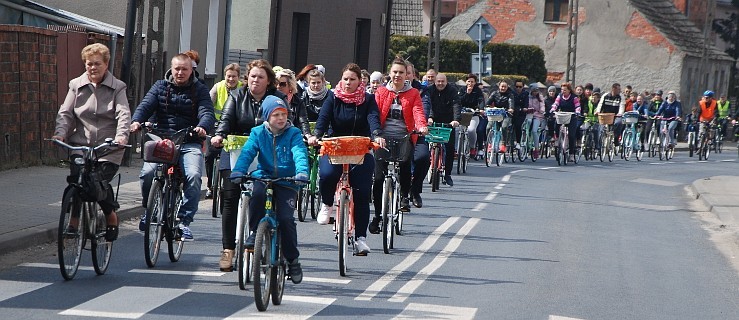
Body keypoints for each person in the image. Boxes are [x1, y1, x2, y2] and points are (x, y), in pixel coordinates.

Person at [211, 59, 288, 271]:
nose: (255, 80)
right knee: (230, 195)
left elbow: (285, 123)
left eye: (260, 77)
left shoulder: (278, 99)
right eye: (253, 76)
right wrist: (219, 135)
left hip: (266, 151)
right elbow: (225, 120)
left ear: (269, 80)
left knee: (264, 191)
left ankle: (260, 232)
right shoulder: (237, 96)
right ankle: (228, 249)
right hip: (236, 149)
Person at [131, 53, 215, 241]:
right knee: (147, 173)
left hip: (188, 141)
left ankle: (184, 220)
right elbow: (146, 105)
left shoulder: (199, 89)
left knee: (193, 176)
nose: (180, 72)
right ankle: (150, 210)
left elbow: (207, 112)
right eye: (177, 68)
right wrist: (137, 121)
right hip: (162, 139)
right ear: (171, 69)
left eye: (184, 69)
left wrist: (203, 126)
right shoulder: (160, 86)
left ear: (191, 70)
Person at [52, 43, 131, 242]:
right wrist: (60, 133)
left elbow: (124, 114)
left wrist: (122, 136)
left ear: (106, 64)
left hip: (108, 148)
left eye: (97, 64)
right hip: (81, 145)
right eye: (88, 64)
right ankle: (74, 221)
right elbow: (65, 113)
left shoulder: (117, 87)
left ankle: (110, 215)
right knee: (78, 180)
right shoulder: (76, 85)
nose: (92, 68)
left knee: (97, 183)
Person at [230, 95, 308, 284]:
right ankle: (255, 231)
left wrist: (302, 172)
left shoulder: (294, 133)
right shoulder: (258, 132)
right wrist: (239, 170)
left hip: (287, 180)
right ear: (266, 117)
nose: (281, 118)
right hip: (264, 176)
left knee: (286, 219)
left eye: (284, 114)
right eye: (276, 115)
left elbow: (299, 153)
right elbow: (248, 152)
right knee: (256, 195)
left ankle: (292, 260)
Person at [307, 63, 381, 255]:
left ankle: (360, 239)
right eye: (345, 79)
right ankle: (327, 203)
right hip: (335, 145)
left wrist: (377, 134)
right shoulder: (333, 97)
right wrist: (317, 134)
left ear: (360, 81)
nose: (348, 83)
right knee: (328, 174)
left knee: (362, 192)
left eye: (353, 79)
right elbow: (323, 118)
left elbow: (373, 118)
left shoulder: (368, 99)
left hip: (359, 148)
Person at [370, 57, 428, 233]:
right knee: (378, 178)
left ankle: (404, 197)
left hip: (404, 135)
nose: (397, 75)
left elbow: (418, 111)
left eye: (401, 72)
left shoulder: (413, 93)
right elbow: (374, 113)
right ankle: (378, 216)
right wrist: (376, 133)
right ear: (390, 74)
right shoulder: (380, 92)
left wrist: (421, 126)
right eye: (395, 72)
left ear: (406, 75)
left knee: (404, 163)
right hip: (382, 138)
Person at [206, 63, 243, 199]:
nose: (231, 79)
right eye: (229, 76)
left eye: (234, 76)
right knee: (209, 154)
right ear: (224, 76)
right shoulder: (218, 87)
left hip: (234, 127)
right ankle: (210, 185)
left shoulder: (243, 89)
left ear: (238, 77)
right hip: (216, 126)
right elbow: (207, 106)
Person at [424, 73, 460, 186]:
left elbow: (456, 105)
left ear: (446, 81)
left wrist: (456, 120)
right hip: (432, 120)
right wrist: (429, 117)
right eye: (438, 81)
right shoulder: (429, 90)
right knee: (424, 147)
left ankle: (448, 174)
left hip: (448, 122)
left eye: (442, 81)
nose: (440, 83)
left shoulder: (452, 91)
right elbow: (427, 104)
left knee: (450, 148)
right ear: (435, 81)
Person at [550, 82, 581, 161]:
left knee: (571, 135)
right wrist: (553, 109)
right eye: (562, 90)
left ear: (569, 90)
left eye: (565, 90)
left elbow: (577, 106)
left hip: (572, 116)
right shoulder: (559, 96)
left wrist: (577, 112)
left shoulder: (574, 98)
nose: (563, 91)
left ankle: (571, 154)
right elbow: (555, 104)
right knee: (556, 124)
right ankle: (557, 139)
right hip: (562, 115)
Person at [276, 68, 311, 136]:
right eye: (276, 83)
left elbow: (303, 121)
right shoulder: (269, 100)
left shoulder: (298, 102)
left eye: (282, 84)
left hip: (291, 136)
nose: (278, 86)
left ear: (290, 86)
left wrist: (307, 135)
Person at [459, 73, 485, 157]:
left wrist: (481, 109)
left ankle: (472, 147)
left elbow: (481, 100)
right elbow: (459, 101)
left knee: (471, 130)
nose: (470, 83)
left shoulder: (478, 90)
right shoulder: (462, 89)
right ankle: (456, 149)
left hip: (473, 114)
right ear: (466, 82)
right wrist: (467, 93)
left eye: (472, 82)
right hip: (462, 113)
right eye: (468, 81)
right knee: (457, 130)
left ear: (475, 82)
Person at [486, 81, 515, 151]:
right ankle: (489, 144)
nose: (503, 88)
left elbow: (511, 102)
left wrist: (511, 109)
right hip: (495, 113)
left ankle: (503, 144)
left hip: (506, 114)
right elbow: (488, 102)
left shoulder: (510, 94)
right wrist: (487, 107)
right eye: (502, 86)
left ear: (507, 87)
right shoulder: (494, 93)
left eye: (505, 87)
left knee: (504, 127)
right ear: (499, 87)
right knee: (488, 127)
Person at [529, 86, 546, 159]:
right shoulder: (527, 97)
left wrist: (542, 110)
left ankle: (536, 149)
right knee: (524, 127)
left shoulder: (540, 97)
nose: (535, 92)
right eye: (534, 91)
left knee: (534, 131)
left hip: (537, 116)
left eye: (536, 91)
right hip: (528, 115)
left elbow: (542, 105)